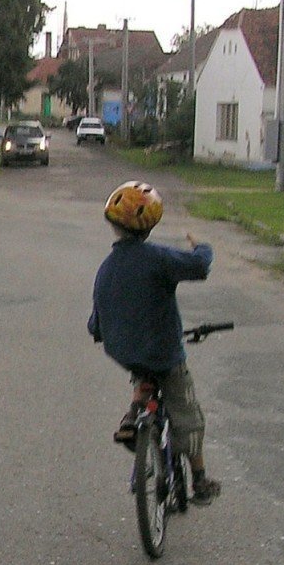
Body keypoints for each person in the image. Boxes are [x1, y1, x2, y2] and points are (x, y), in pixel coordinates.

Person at [87, 180, 221, 505]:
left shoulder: (106, 269)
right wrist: (201, 246)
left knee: (142, 370)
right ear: (150, 225)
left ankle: (136, 412)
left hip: (124, 351)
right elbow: (200, 267)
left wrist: (107, 332)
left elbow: (95, 324)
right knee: (186, 411)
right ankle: (200, 481)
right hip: (163, 351)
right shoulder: (157, 258)